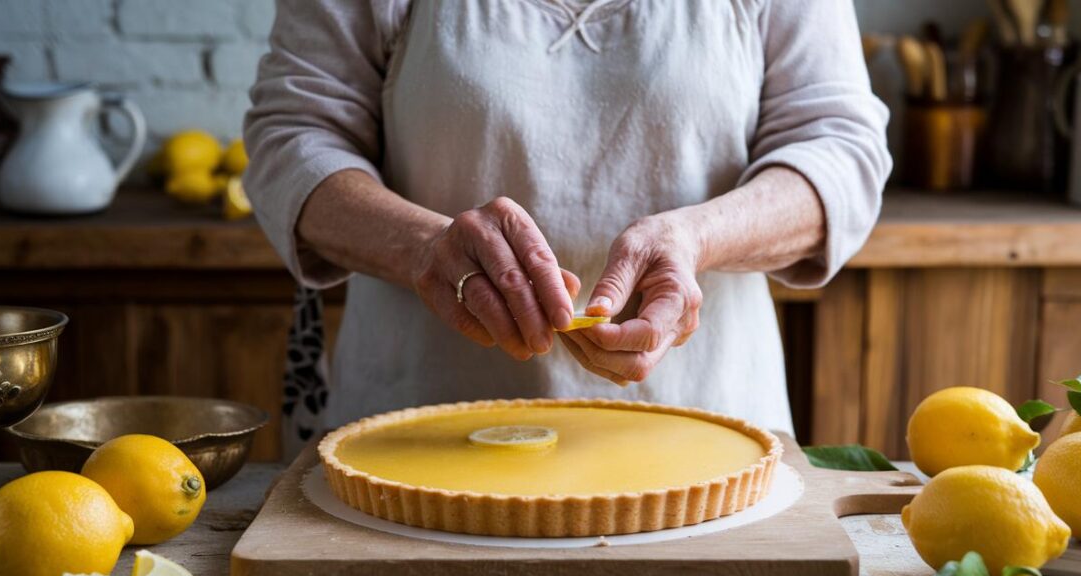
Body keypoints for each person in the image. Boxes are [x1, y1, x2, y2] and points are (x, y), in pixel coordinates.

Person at [245, 0, 891, 438]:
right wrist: (424, 248)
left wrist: (698, 238)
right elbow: (292, 139)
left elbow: (840, 149)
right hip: (420, 439)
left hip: (705, 437)